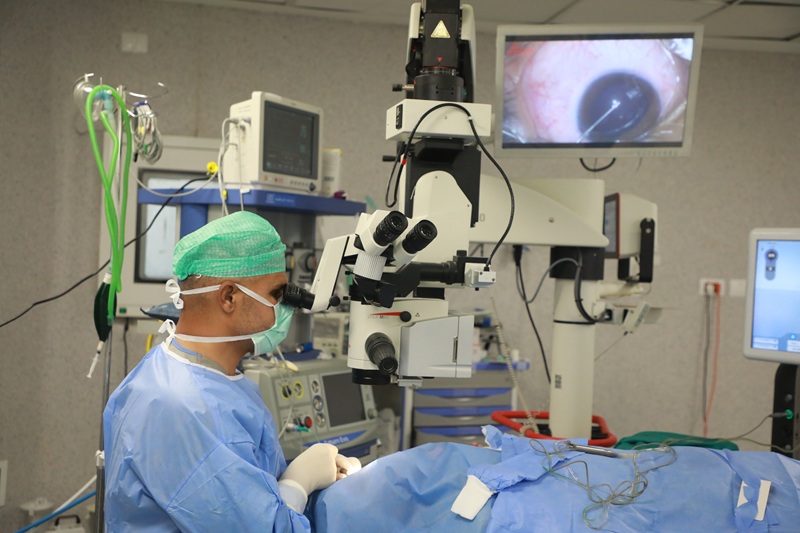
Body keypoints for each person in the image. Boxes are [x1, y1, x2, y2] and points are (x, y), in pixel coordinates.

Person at [103, 211, 360, 532]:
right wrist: (298, 483)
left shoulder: (177, 372)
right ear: (229, 297)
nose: (284, 308)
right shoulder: (185, 407)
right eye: (276, 294)